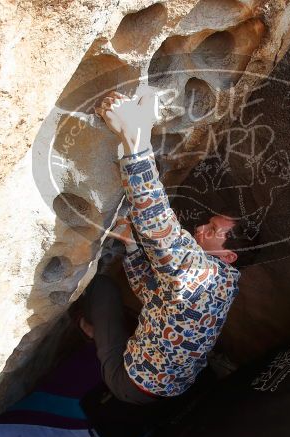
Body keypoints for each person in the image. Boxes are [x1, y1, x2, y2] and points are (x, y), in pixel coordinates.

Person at [77, 87, 250, 405]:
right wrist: (131, 247)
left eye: (212, 230)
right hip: (175, 384)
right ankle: (110, 333)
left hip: (130, 383)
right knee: (139, 308)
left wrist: (136, 138)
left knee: (101, 287)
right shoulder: (227, 282)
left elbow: (155, 218)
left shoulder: (198, 273)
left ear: (229, 254)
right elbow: (154, 294)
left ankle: (95, 335)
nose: (200, 228)